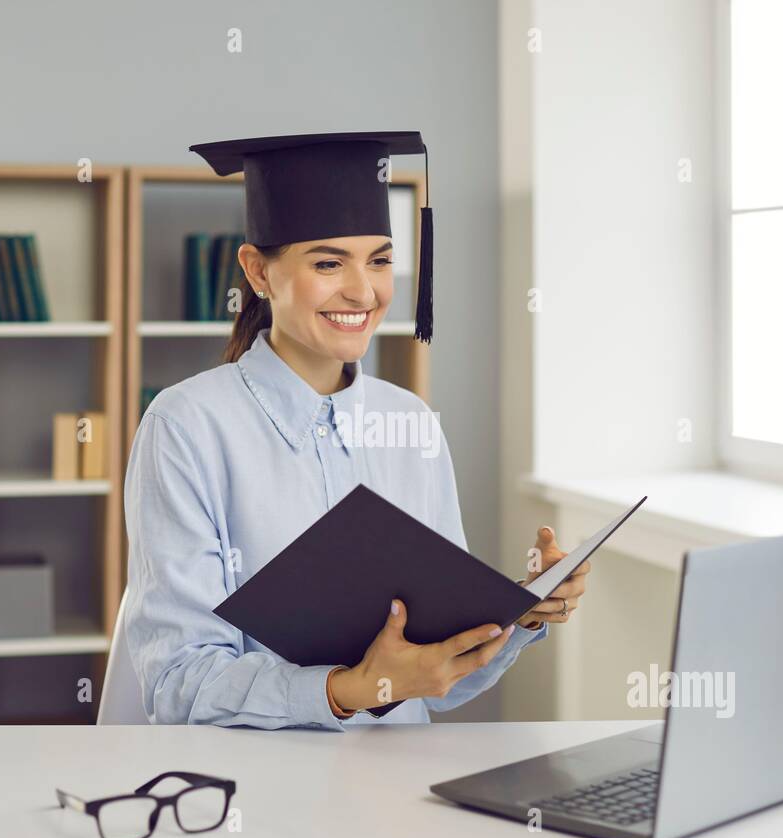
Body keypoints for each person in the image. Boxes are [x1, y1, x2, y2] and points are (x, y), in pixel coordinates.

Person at [124, 131, 591, 729]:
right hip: (253, 792)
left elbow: (441, 684)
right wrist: (348, 691)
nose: (363, 291)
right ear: (257, 272)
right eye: (327, 263)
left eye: (380, 260)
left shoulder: (411, 423)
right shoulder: (186, 427)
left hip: (398, 783)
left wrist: (523, 609)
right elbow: (178, 685)